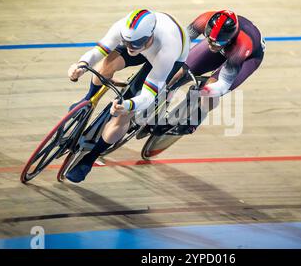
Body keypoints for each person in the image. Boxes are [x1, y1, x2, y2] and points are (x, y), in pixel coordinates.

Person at [65, 9, 189, 183]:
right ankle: (88, 100)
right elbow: (98, 51)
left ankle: (89, 159)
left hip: (165, 56)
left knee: (124, 113)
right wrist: (81, 65)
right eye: (127, 42)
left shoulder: (168, 49)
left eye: (135, 44)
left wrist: (129, 105)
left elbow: (147, 95)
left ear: (150, 37)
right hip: (147, 46)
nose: (130, 48)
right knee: (106, 64)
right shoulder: (124, 30)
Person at [171, 9, 266, 135]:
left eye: (217, 43)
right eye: (208, 39)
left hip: (247, 57)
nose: (211, 45)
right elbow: (180, 45)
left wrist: (206, 91)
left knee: (211, 87)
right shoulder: (204, 21)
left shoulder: (242, 46)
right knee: (179, 71)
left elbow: (223, 84)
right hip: (222, 42)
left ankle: (196, 118)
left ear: (229, 39)